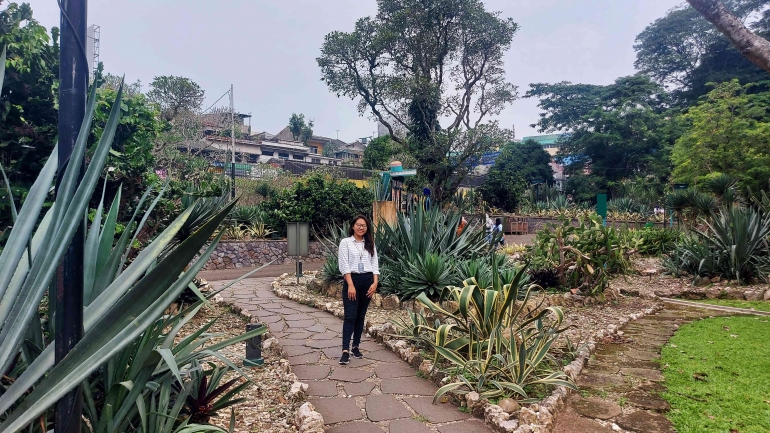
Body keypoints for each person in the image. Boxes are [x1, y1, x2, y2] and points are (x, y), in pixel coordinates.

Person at [337, 214, 379, 365]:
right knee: (350, 316)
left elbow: (375, 265)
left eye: (364, 225)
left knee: (361, 316)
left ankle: (356, 347)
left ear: (367, 228)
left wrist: (375, 283)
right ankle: (345, 351)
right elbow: (344, 265)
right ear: (353, 226)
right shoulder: (346, 242)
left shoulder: (370, 244)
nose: (361, 227)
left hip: (367, 281)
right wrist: (350, 285)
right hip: (352, 280)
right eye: (358, 225)